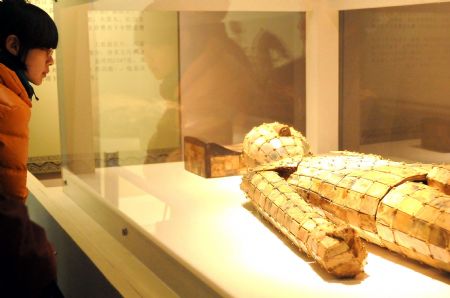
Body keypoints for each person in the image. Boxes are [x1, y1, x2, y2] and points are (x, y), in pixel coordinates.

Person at [0, 0, 62, 296]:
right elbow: (7, 203)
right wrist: (38, 252)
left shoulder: (11, 95)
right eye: (46, 50)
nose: (50, 60)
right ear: (14, 45)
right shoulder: (6, 106)